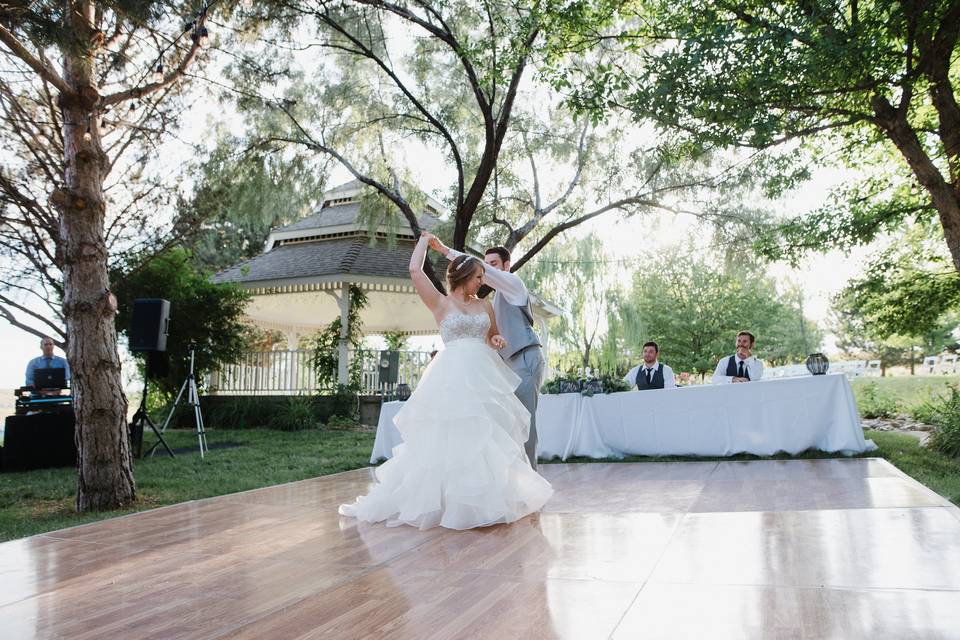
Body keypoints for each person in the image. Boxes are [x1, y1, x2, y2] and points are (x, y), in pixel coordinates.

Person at [339, 231, 553, 530]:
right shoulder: (440, 304)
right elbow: (415, 270)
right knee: (450, 434)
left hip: (484, 375)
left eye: (483, 275)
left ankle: (486, 499)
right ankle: (446, 500)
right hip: (451, 375)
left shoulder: (484, 306)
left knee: (486, 435)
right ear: (464, 276)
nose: (482, 282)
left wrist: (498, 339)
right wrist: (425, 242)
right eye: (478, 276)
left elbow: (492, 336)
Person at [428, 237, 545, 470]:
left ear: (506, 266)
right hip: (506, 364)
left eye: (493, 264)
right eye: (486, 264)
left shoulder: (513, 284)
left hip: (524, 358)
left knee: (523, 420)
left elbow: (487, 274)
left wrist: (445, 251)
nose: (488, 269)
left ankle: (530, 477)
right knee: (505, 420)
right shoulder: (489, 300)